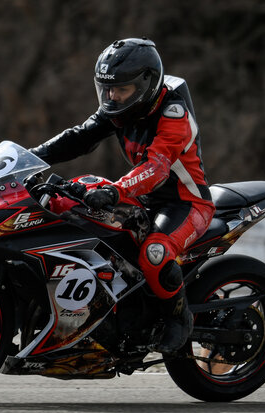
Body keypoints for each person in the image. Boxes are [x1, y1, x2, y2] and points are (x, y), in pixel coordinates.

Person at [30, 38, 215, 353]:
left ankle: (178, 319)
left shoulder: (173, 115)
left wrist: (115, 190)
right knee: (71, 203)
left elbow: (156, 168)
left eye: (120, 89)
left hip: (185, 202)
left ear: (145, 85)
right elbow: (79, 137)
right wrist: (31, 158)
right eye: (107, 89)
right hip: (143, 197)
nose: (111, 96)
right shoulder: (118, 109)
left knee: (155, 254)